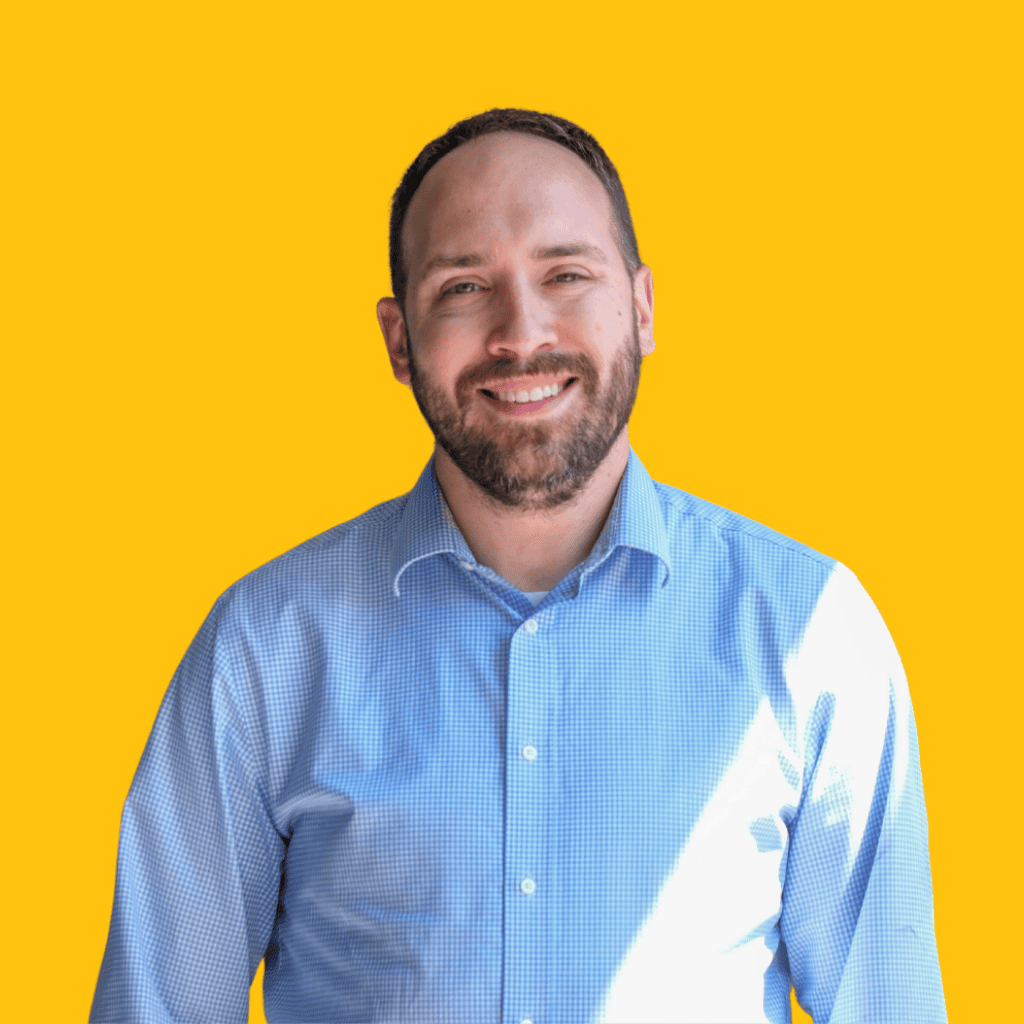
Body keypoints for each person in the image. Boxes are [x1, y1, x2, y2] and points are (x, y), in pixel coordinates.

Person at [90, 108, 946, 1024]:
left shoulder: (812, 631)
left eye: (566, 274)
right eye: (463, 288)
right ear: (397, 339)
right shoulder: (264, 648)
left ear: (644, 306)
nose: (520, 332)